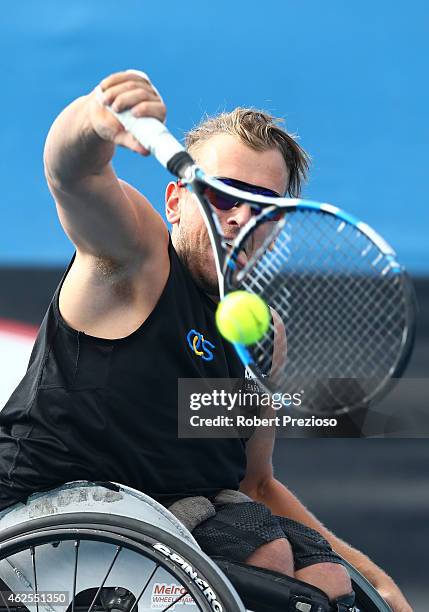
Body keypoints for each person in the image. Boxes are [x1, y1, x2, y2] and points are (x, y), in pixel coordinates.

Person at [0, 71, 411, 612]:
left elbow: (257, 484)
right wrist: (90, 120)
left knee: (329, 582)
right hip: (47, 528)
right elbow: (71, 176)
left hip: (176, 523)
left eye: (263, 207)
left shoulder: (264, 336)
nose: (241, 216)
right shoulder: (135, 260)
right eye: (222, 196)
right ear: (175, 203)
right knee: (265, 558)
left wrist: (376, 580)